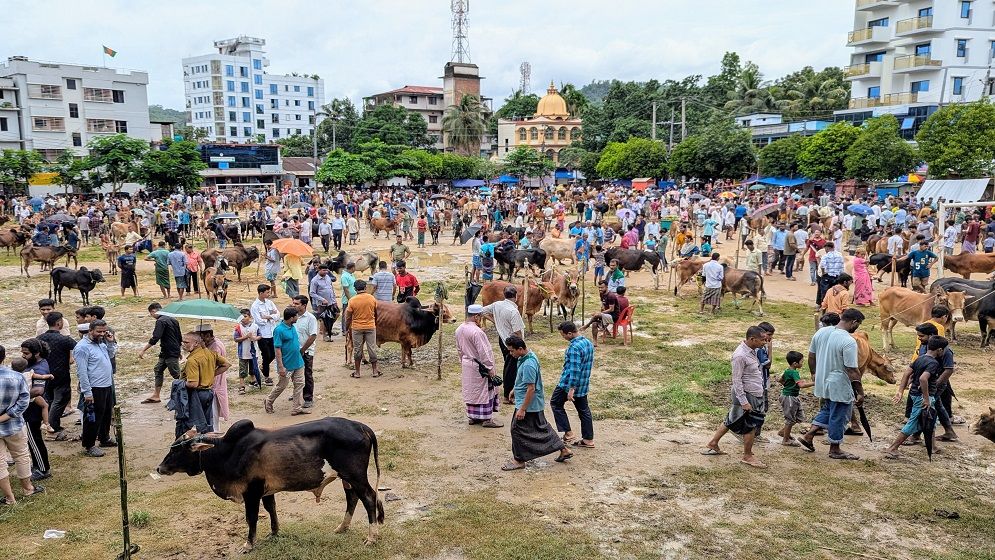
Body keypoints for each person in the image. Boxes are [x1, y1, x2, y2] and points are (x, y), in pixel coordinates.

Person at [798, 308, 865, 460]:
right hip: (838, 383)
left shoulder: (822, 333)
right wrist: (860, 391)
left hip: (823, 379)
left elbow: (811, 355)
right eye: (858, 324)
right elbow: (852, 369)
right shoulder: (848, 341)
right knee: (839, 415)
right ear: (853, 322)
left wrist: (814, 374)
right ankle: (835, 448)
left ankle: (809, 435)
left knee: (829, 409)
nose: (857, 328)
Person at [701, 326, 769, 468]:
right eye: (762, 340)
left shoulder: (752, 351)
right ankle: (747, 456)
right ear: (752, 339)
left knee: (731, 420)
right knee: (750, 425)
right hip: (747, 395)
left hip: (753, 393)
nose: (765, 342)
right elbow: (736, 381)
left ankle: (713, 443)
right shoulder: (740, 356)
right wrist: (744, 402)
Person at [501, 336, 572, 470]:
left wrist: (522, 409)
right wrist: (515, 389)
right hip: (533, 403)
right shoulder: (528, 357)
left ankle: (519, 460)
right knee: (541, 427)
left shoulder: (528, 364)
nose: (511, 354)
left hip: (528, 404)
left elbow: (531, 388)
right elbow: (525, 382)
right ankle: (564, 450)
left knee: (516, 430)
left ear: (520, 349)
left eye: (512, 351)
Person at [884, 336, 949, 459]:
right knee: (913, 423)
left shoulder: (920, 358)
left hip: (915, 394)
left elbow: (907, 373)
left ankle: (933, 447)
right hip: (922, 398)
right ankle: (893, 447)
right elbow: (923, 378)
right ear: (940, 350)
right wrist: (926, 399)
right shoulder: (933, 363)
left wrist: (900, 391)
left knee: (930, 420)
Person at [0, 345, 44, 504]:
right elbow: (23, 402)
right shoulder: (16, 377)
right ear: (4, 358)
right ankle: (27, 488)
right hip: (14, 425)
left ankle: (9, 497)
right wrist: (6, 416)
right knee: (21, 455)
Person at [74, 319, 117, 457]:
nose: (102, 334)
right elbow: (82, 372)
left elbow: (110, 356)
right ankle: (89, 445)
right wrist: (87, 392)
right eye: (99, 331)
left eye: (104, 331)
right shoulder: (82, 347)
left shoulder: (101, 343)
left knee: (106, 415)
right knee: (93, 418)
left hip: (106, 385)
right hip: (94, 387)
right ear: (90, 330)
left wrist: (110, 343)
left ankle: (104, 438)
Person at [550, 321, 595, 449]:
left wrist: (571, 389)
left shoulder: (574, 348)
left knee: (555, 403)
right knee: (584, 411)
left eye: (563, 335)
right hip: (583, 384)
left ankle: (568, 433)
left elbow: (574, 369)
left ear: (570, 333)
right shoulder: (587, 342)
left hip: (568, 384)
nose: (563, 337)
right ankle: (588, 440)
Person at [456, 304, 502, 428]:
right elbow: (484, 352)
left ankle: (473, 416)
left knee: (471, 391)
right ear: (476, 317)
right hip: (479, 366)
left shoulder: (459, 329)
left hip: (467, 363)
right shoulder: (477, 332)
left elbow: (459, 349)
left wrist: (463, 362)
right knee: (484, 391)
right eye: (480, 317)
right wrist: (490, 368)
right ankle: (486, 419)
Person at [177, 332, 229, 436]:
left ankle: (187, 446)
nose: (183, 344)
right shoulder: (210, 353)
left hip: (197, 395)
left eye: (186, 342)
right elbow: (226, 364)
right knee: (207, 423)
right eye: (183, 342)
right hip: (208, 393)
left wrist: (180, 383)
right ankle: (208, 443)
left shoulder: (192, 360)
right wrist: (210, 374)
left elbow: (193, 384)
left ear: (196, 343)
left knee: (188, 423)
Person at [481, 285, 525, 402]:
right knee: (511, 368)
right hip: (513, 343)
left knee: (509, 365)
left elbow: (481, 310)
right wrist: (522, 346)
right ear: (515, 296)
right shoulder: (513, 311)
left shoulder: (497, 305)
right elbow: (517, 332)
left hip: (502, 339)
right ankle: (507, 395)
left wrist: (494, 321)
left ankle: (509, 391)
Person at [264, 307, 309, 415]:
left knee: (300, 384)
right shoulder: (279, 330)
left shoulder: (292, 326)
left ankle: (296, 408)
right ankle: (269, 401)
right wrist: (280, 366)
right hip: (287, 364)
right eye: (296, 316)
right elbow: (277, 349)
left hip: (298, 362)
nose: (298, 317)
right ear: (291, 318)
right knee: (282, 385)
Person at [38, 312, 75, 440]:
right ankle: (52, 429)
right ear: (60, 323)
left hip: (44, 374)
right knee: (60, 401)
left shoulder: (40, 338)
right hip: (61, 375)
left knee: (48, 401)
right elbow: (79, 348)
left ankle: (49, 425)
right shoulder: (64, 339)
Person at [138, 302, 182, 404]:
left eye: (151, 314)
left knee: (176, 374)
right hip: (168, 351)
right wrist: (179, 350)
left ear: (154, 311)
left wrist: (143, 350)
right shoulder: (173, 319)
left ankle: (188, 393)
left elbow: (155, 338)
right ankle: (156, 395)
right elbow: (179, 337)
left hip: (170, 351)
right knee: (158, 369)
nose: (152, 316)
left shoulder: (161, 321)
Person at [777, 351, 813, 446]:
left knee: (799, 417)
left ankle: (783, 432)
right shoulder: (794, 373)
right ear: (795, 363)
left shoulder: (787, 371)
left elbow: (781, 380)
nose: (802, 363)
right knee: (790, 420)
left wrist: (789, 385)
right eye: (801, 362)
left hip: (791, 396)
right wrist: (815, 383)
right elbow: (801, 385)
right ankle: (785, 440)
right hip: (790, 398)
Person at [346, 280, 380, 378]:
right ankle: (374, 371)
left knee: (357, 349)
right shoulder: (372, 298)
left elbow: (348, 317)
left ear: (355, 289)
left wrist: (347, 327)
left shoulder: (352, 300)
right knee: (372, 348)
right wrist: (374, 323)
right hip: (370, 326)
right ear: (365, 288)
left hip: (357, 328)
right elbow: (376, 313)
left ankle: (357, 372)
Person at [291, 296, 318, 408]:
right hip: (294, 351)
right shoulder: (292, 317)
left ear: (304, 305)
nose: (294, 305)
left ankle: (308, 398)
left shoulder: (310, 318)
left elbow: (313, 336)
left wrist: (303, 350)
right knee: (294, 374)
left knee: (307, 374)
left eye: (297, 304)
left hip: (306, 351)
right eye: (293, 303)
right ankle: (297, 394)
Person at [250, 284, 279, 386]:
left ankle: (263, 367)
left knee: (274, 353)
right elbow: (259, 321)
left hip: (272, 332)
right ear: (261, 293)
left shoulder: (270, 303)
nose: (269, 294)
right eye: (267, 292)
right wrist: (271, 317)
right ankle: (266, 376)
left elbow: (277, 315)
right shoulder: (255, 306)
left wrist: (267, 316)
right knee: (266, 355)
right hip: (262, 334)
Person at [581, 281, 621, 346]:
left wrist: (600, 313)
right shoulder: (601, 294)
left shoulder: (611, 296)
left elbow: (611, 309)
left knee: (596, 315)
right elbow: (602, 302)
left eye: (602, 288)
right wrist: (602, 308)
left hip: (613, 316)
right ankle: (595, 342)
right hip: (606, 315)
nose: (600, 289)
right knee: (594, 324)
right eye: (599, 287)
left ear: (607, 287)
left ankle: (586, 325)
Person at [234, 308, 261, 394]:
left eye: (245, 316)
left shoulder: (255, 326)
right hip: (243, 352)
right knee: (243, 368)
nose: (243, 318)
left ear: (250, 317)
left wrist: (254, 338)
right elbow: (236, 339)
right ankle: (242, 385)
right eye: (242, 317)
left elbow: (260, 335)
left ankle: (253, 380)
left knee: (253, 366)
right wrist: (245, 337)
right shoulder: (238, 327)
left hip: (253, 351)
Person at [816, 242, 844, 306]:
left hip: (827, 276)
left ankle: (824, 306)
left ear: (827, 248)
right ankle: (834, 305)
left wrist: (823, 273)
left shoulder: (826, 256)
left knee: (824, 292)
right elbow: (842, 266)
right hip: (837, 276)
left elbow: (822, 265)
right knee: (835, 292)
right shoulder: (839, 255)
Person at [340, 261, 357, 334]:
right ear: (352, 268)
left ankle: (351, 328)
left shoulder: (351, 275)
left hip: (354, 298)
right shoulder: (344, 276)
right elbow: (346, 289)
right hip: (348, 299)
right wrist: (350, 299)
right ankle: (344, 330)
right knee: (346, 314)